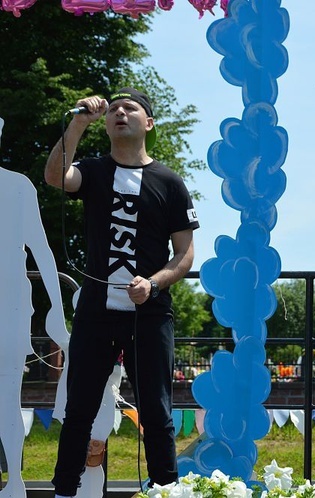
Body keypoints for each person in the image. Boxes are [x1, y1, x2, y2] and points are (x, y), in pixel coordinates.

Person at [44, 87, 200, 498]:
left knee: (157, 411)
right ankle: (64, 492)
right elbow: (56, 177)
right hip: (97, 310)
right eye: (113, 108)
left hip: (149, 313)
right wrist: (79, 123)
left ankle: (166, 490)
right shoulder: (93, 170)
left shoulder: (170, 182)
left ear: (148, 123)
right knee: (79, 409)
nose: (119, 113)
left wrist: (153, 283)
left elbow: (184, 255)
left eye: (129, 108)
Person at [0, 116, 70, 498]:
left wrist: (57, 308)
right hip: (12, 302)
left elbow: (42, 249)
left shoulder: (18, 186)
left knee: (9, 394)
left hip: (10, 303)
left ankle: (14, 478)